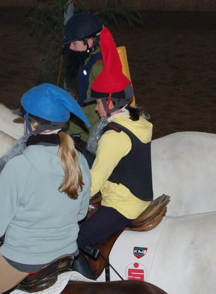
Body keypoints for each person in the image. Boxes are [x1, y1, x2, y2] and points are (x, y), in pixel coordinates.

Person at [0, 83, 92, 294]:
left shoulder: (18, 166)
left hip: (22, 260)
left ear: (32, 125)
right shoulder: (80, 161)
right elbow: (80, 213)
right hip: (64, 253)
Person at [72, 28, 153, 279]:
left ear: (110, 103)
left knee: (73, 241)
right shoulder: (136, 120)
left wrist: (69, 198)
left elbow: (94, 183)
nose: (96, 108)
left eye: (98, 103)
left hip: (122, 204)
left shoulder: (113, 137)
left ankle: (86, 282)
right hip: (137, 194)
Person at [60, 13, 105, 142]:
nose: (70, 47)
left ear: (89, 42)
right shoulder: (89, 60)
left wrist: (67, 127)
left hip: (93, 132)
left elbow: (96, 110)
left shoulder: (98, 67)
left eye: (74, 43)